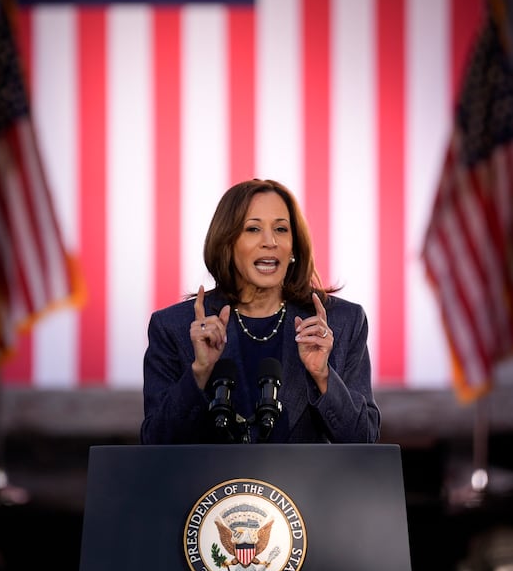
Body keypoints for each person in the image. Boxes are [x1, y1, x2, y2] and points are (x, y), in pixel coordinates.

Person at [141, 178, 380, 444]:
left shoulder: (342, 322)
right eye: (253, 229)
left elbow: (364, 439)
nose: (270, 241)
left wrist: (323, 376)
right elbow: (154, 441)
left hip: (305, 486)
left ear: (294, 248)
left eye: (281, 229)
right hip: (208, 486)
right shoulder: (174, 327)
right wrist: (200, 372)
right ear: (227, 243)